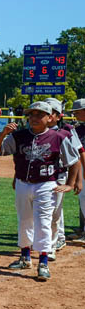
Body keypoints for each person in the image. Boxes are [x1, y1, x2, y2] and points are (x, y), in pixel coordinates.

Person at [0, 101, 81, 280]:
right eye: (31, 114)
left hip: (46, 184)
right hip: (23, 183)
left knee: (43, 222)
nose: (34, 118)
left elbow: (74, 160)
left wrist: (70, 184)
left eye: (39, 115)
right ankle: (25, 256)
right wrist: (3, 134)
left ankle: (43, 262)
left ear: (49, 118)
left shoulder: (59, 137)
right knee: (24, 220)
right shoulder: (19, 135)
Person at [43, 98, 83, 259]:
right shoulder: (36, 128)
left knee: (55, 210)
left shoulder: (67, 129)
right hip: (41, 177)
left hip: (59, 174)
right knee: (48, 211)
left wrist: (77, 180)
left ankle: (55, 241)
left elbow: (78, 154)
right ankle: (54, 239)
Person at [69, 99, 85, 242]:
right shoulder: (78, 129)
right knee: (83, 200)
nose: (75, 115)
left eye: (77, 112)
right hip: (82, 168)